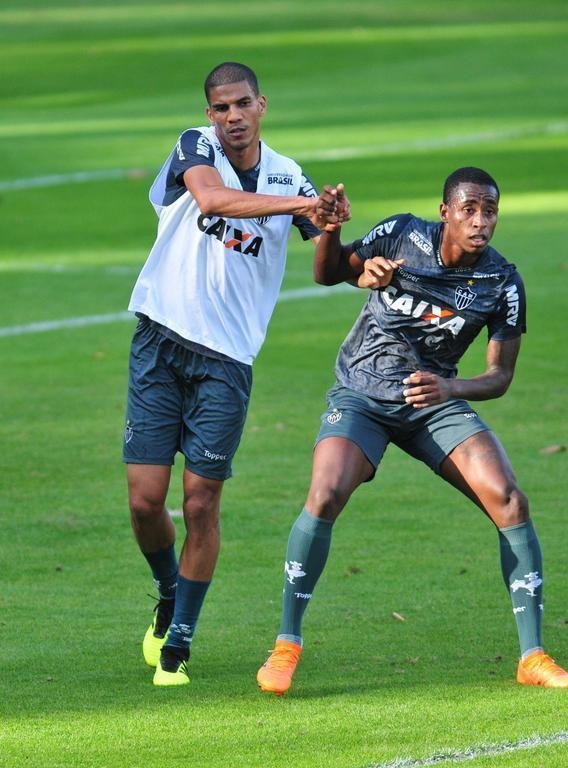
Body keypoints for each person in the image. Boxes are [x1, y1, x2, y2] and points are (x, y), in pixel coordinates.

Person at [255, 167, 568, 694]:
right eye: (470, 210)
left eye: (490, 211)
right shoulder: (401, 234)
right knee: (324, 493)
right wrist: (338, 237)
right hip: (362, 393)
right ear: (445, 212)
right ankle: (286, 645)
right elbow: (330, 272)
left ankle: (533, 656)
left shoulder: (502, 283)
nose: (480, 222)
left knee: (509, 500)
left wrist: (449, 390)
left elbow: (499, 377)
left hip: (432, 402)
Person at [124, 61, 349, 686]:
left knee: (201, 502)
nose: (232, 117)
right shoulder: (195, 149)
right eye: (221, 107)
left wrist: (328, 225)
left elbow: (324, 265)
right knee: (145, 502)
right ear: (209, 114)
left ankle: (181, 641)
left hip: (226, 361)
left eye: (242, 104)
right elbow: (211, 199)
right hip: (161, 341)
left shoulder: (286, 173)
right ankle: (168, 589)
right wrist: (307, 203)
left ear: (262, 105)